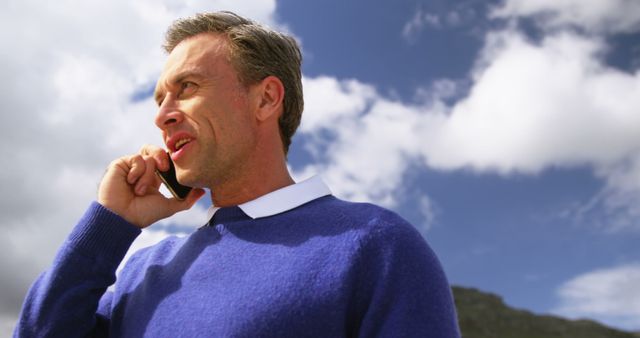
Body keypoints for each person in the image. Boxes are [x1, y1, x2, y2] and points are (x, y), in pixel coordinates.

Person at [14, 11, 460, 337]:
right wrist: (111, 223)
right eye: (159, 99)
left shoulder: (375, 244)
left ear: (266, 99)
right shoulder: (144, 270)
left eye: (186, 88)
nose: (163, 117)